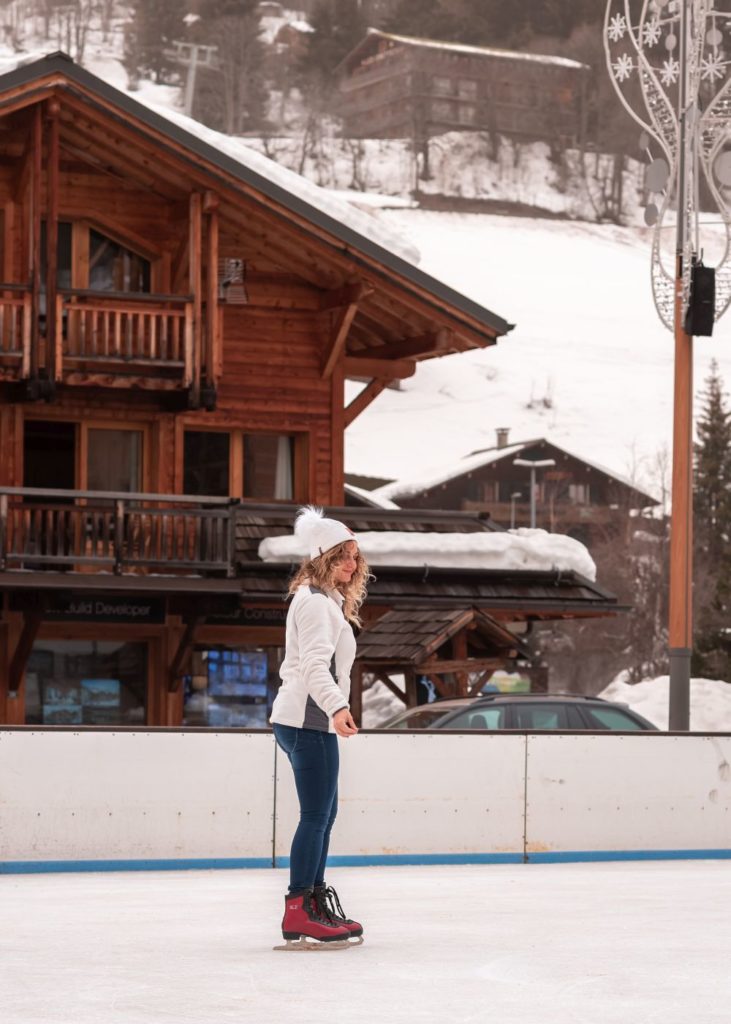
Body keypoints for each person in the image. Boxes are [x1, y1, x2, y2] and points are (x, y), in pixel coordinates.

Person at [270, 506, 370, 950]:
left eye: (354, 556)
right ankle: (299, 911)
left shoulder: (325, 601)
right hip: (308, 720)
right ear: (322, 557)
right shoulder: (313, 603)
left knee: (325, 817)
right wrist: (337, 706)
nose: (352, 564)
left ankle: (313, 902)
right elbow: (314, 666)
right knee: (316, 817)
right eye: (344, 555)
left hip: (311, 721)